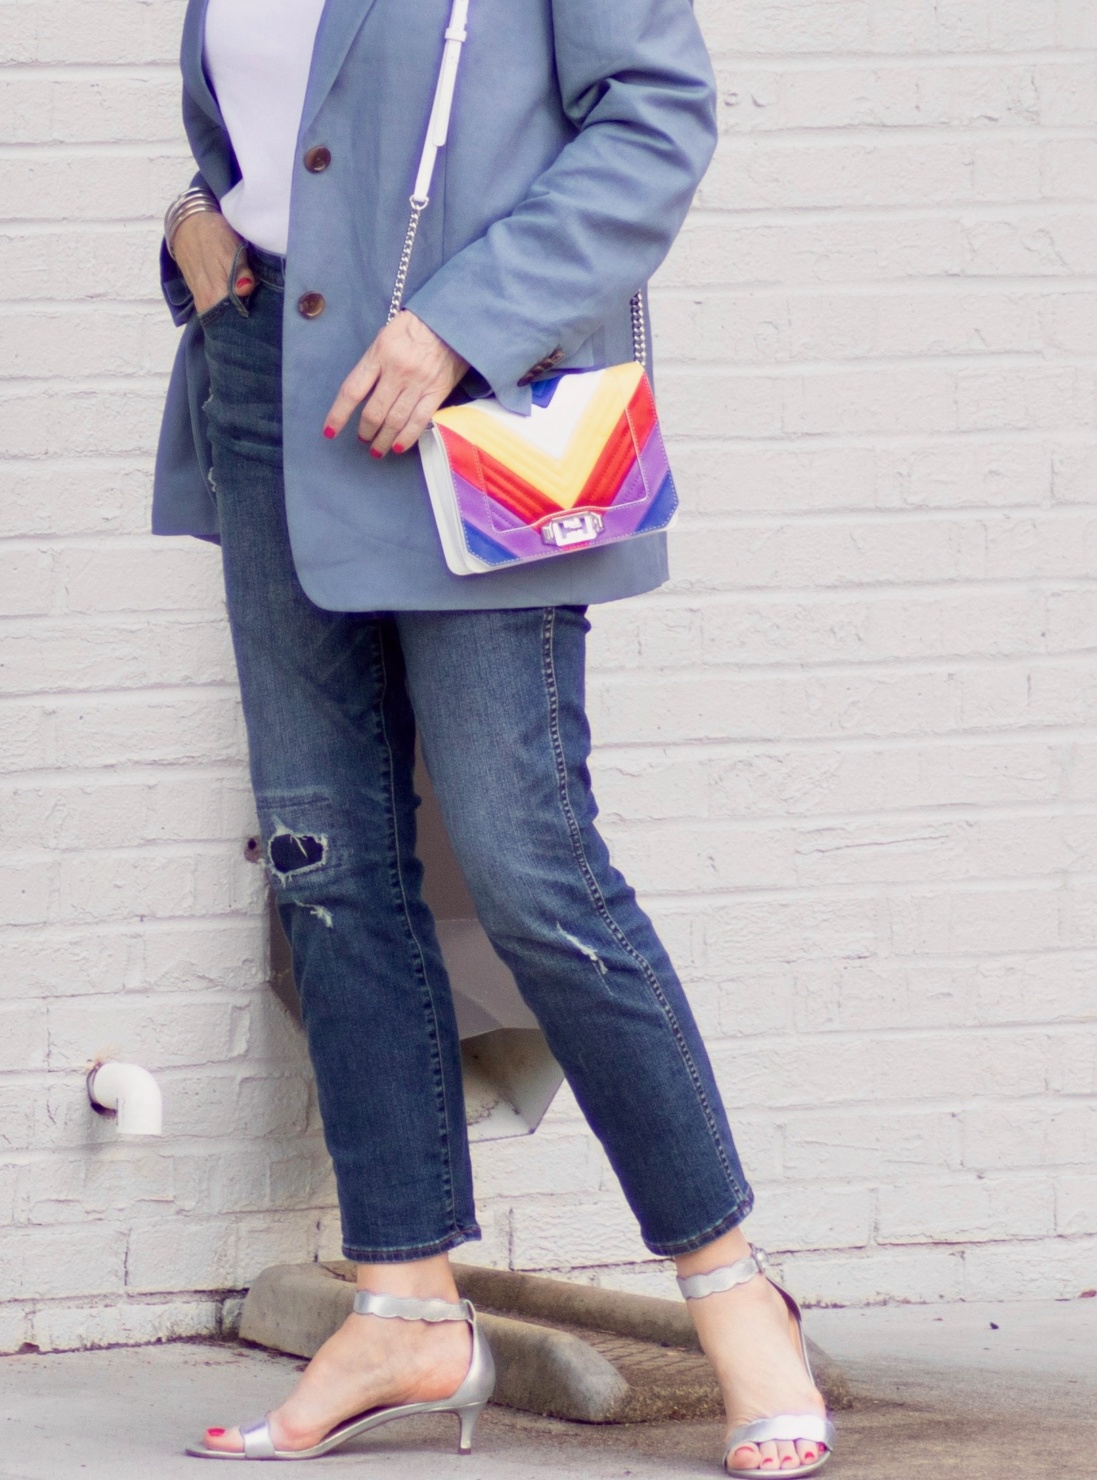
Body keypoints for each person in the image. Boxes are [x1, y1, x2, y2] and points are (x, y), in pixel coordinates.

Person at [154, 0, 833, 1473]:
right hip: (267, 376)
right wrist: (195, 219)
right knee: (326, 863)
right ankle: (404, 1303)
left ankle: (730, 1290)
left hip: (462, 404)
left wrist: (464, 319)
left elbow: (653, 118)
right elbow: (276, 139)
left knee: (531, 867)